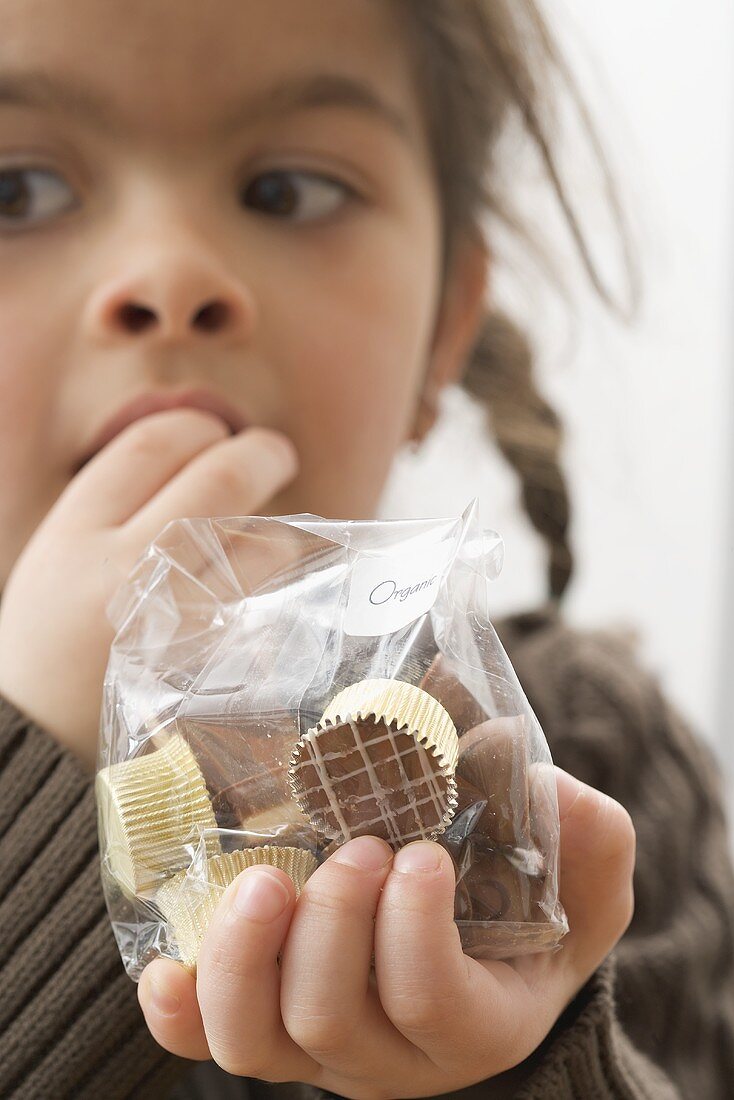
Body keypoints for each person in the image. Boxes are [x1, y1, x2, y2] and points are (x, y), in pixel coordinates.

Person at [0, 1, 732, 1097]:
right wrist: (34, 767)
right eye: (16, 190)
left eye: (285, 190)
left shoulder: (577, 757)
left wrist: (527, 1053)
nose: (169, 276)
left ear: (443, 329)